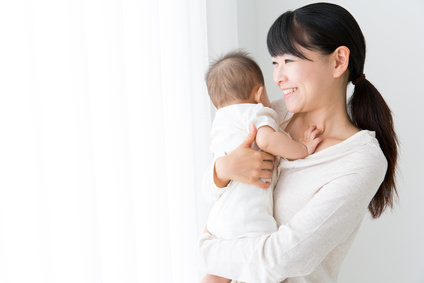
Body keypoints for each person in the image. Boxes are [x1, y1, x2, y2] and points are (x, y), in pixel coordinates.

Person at [198, 3, 398, 283]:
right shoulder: (270, 116)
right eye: (274, 62)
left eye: (289, 61)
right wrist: (222, 170)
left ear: (339, 61)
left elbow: (284, 258)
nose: (278, 77)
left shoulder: (360, 159)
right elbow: (215, 194)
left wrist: (207, 249)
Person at [201, 51, 322, 283]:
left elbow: (211, 181)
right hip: (249, 220)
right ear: (259, 94)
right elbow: (267, 140)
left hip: (219, 219)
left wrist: (222, 168)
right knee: (262, 272)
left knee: (217, 273)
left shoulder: (221, 120)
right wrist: (302, 148)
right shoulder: (256, 112)